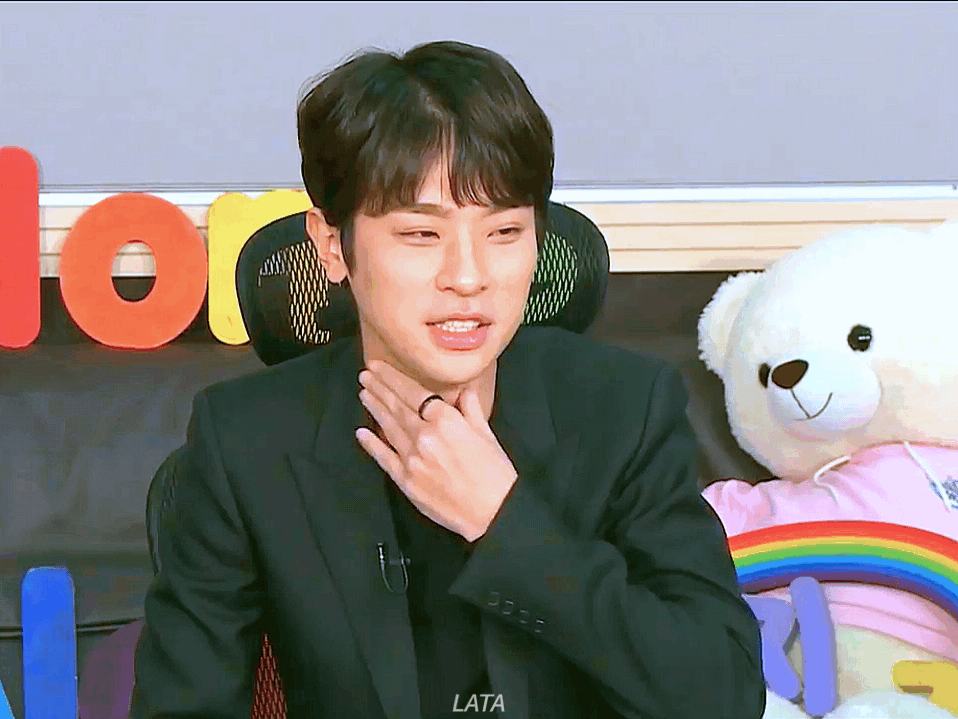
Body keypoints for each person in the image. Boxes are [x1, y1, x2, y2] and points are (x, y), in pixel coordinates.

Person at [130, 40, 765, 719]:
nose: (468, 276)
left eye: (505, 231)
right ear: (331, 244)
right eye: (421, 235)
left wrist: (504, 521)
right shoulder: (246, 441)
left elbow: (721, 696)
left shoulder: (625, 409)